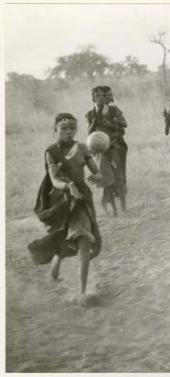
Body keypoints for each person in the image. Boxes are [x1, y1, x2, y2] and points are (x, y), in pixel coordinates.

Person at [27, 113, 102, 304]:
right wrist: (68, 186)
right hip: (61, 201)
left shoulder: (83, 148)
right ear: (55, 129)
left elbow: (96, 171)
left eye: (72, 128)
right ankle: (57, 261)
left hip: (82, 199)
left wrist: (98, 177)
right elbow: (54, 180)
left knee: (83, 238)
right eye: (64, 128)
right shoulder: (51, 151)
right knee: (62, 237)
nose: (68, 131)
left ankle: (82, 292)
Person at [86, 86, 128, 216]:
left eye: (103, 96)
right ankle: (114, 209)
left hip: (113, 146)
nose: (100, 98)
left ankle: (123, 207)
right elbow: (90, 132)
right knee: (106, 178)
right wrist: (94, 123)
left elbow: (123, 127)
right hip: (99, 149)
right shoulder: (91, 113)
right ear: (93, 98)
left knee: (119, 176)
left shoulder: (113, 110)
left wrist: (110, 124)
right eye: (97, 96)